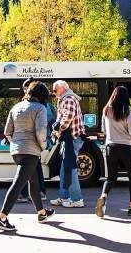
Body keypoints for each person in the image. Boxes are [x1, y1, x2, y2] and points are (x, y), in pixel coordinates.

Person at [0, 81, 54, 231]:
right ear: (43, 96)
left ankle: (41, 213)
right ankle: (2, 217)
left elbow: (7, 132)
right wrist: (44, 146)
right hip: (30, 151)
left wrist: (16, 143)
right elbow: (41, 132)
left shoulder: (16, 107)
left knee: (33, 182)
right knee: (18, 183)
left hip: (17, 151)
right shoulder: (40, 108)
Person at [95, 86, 131, 218]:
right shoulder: (126, 110)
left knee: (111, 177)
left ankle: (103, 196)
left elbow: (103, 129)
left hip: (111, 146)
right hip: (126, 146)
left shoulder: (106, 110)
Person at [17, 78, 55, 203]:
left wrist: (42, 143)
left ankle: (24, 193)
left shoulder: (33, 106)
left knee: (29, 169)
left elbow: (40, 128)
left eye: (25, 88)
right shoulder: (46, 106)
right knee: (33, 169)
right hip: (37, 142)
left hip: (32, 143)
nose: (24, 91)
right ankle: (39, 195)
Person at [49, 80, 86, 208]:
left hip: (72, 138)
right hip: (69, 138)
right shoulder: (66, 98)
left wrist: (57, 130)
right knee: (65, 168)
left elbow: (67, 118)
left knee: (70, 168)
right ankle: (64, 196)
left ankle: (77, 199)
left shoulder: (68, 99)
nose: (54, 93)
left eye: (55, 90)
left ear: (63, 88)